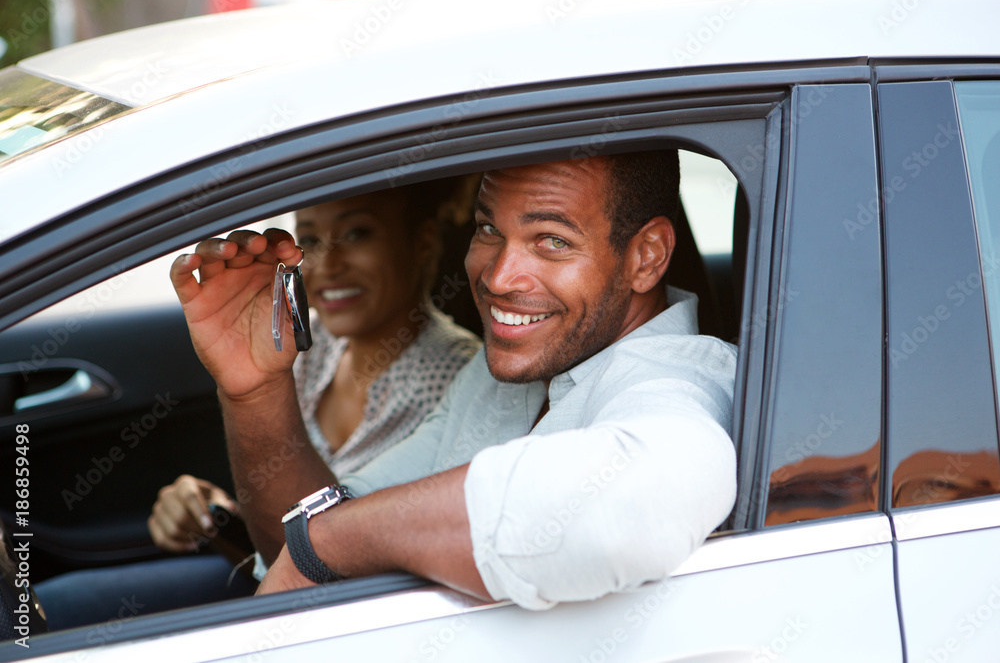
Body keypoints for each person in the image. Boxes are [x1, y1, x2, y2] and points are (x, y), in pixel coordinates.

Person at [175, 150, 737, 610]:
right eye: (490, 229)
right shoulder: (500, 378)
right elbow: (308, 550)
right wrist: (255, 391)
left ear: (647, 256)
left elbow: (630, 510)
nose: (497, 277)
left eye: (551, 241)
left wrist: (330, 539)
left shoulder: (681, 380)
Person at [35, 180, 481, 629]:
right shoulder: (314, 344)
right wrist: (219, 513)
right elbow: (287, 531)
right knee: (53, 607)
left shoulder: (460, 383)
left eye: (357, 234)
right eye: (308, 239)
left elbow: (362, 571)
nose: (328, 264)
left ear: (422, 242)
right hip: (271, 580)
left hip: (349, 622)